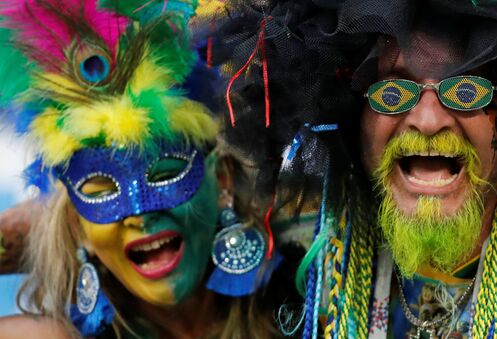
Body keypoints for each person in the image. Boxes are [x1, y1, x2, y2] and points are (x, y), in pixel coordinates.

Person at [211, 0, 497, 338]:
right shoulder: (326, 257)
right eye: (393, 92)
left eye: (465, 91)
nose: (428, 121)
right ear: (354, 117)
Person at [0, 1, 296, 338]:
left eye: (166, 172)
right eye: (100, 191)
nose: (140, 214)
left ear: (222, 179)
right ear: (76, 225)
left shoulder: (315, 292)